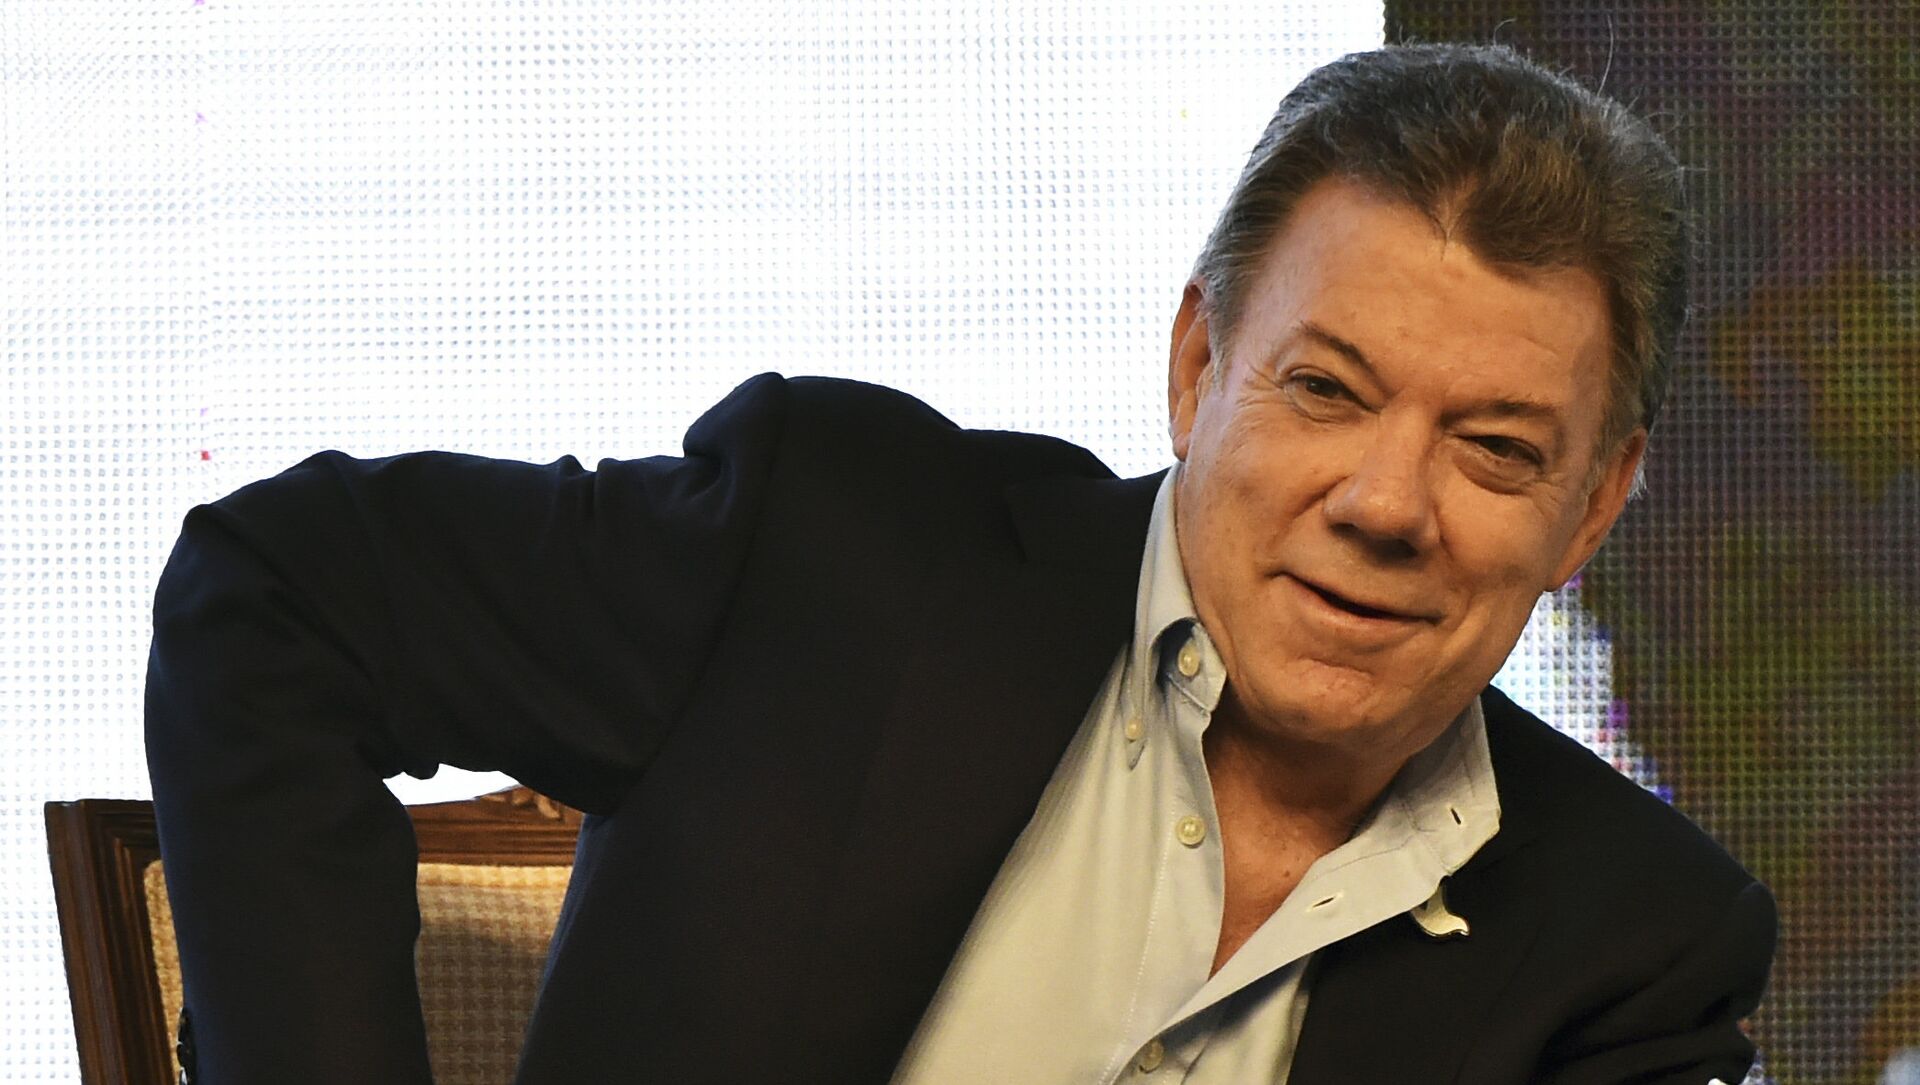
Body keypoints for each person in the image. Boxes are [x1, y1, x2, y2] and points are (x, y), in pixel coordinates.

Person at [146, 42, 1775, 1084]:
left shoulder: (1640, 953)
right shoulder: (832, 555)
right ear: (1199, 367)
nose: (1386, 502)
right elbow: (281, 593)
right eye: (1327, 390)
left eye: (1495, 448)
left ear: (1595, 505)